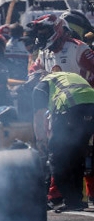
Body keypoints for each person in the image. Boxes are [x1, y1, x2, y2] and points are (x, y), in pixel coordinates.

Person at [33, 71, 94, 212]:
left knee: (57, 157)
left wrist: (41, 142)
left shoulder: (40, 86)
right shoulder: (68, 76)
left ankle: (72, 200)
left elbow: (39, 117)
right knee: (78, 156)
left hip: (69, 108)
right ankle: (77, 201)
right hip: (91, 105)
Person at [31, 15, 94, 84]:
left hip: (78, 90)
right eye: (39, 33)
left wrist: (87, 86)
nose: (42, 36)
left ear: (56, 29)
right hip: (55, 90)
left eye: (45, 32)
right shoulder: (43, 52)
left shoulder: (78, 47)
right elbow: (32, 73)